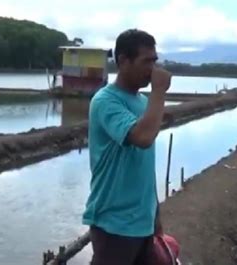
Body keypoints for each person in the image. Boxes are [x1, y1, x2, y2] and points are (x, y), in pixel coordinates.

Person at [83, 29, 171, 265]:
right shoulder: (106, 101)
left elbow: (144, 166)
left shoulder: (143, 102)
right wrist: (159, 91)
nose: (152, 69)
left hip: (142, 222)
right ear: (123, 61)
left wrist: (155, 215)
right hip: (114, 224)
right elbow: (143, 138)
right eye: (146, 62)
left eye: (155, 61)